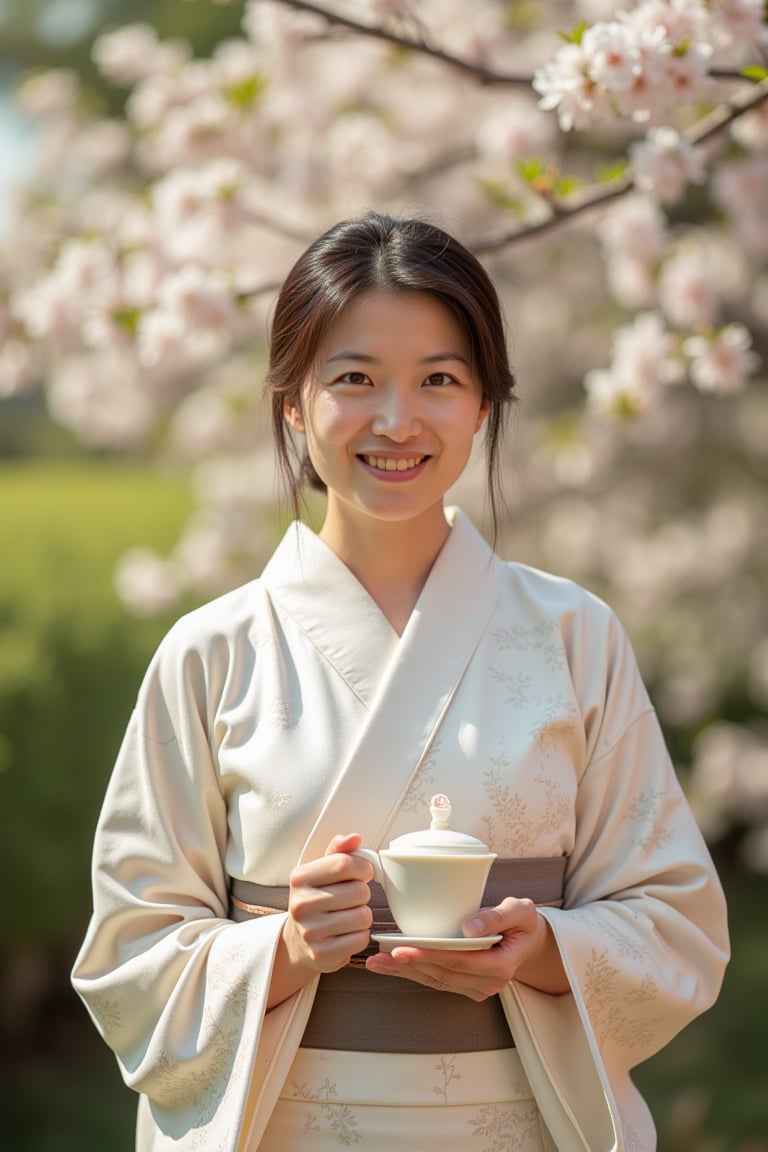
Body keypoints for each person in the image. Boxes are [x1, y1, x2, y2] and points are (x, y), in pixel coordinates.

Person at [72, 212, 729, 1152]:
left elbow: (678, 923)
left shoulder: (576, 637)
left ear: (484, 405)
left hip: (520, 1125)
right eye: (353, 379)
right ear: (293, 404)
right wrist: (287, 952)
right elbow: (128, 954)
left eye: (439, 380)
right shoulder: (209, 652)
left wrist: (540, 952)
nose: (397, 420)